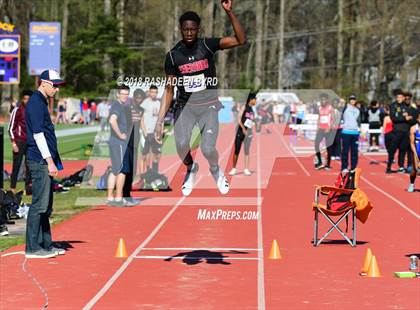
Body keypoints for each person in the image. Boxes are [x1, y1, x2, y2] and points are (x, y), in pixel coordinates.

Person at [154, 1, 246, 196]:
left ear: (198, 30)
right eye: (185, 30)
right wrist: (159, 121)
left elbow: (240, 40)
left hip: (208, 106)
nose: (189, 33)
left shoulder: (207, 45)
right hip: (184, 106)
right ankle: (191, 168)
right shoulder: (172, 56)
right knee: (180, 146)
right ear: (181, 29)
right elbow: (169, 90)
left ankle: (215, 170)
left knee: (207, 148)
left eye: (192, 30)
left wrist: (229, 12)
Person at [25, 69, 66, 258]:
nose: (57, 90)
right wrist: (50, 161)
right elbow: (38, 135)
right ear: (44, 83)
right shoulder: (35, 103)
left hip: (45, 159)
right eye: (55, 85)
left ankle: (46, 244)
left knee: (46, 206)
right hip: (39, 159)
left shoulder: (41, 102)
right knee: (39, 205)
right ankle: (33, 248)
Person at [107, 85, 133, 207]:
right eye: (123, 94)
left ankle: (110, 197)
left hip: (114, 142)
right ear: (117, 94)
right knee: (123, 171)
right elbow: (112, 120)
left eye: (127, 94)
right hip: (119, 143)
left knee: (115, 169)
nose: (125, 96)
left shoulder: (120, 105)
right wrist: (120, 135)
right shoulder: (117, 105)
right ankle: (118, 198)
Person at [122, 88, 145, 204]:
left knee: (133, 170)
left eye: (141, 98)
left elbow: (141, 125)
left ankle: (128, 194)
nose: (139, 100)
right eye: (138, 98)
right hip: (126, 143)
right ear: (134, 97)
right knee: (126, 169)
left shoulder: (141, 110)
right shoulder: (127, 108)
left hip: (135, 143)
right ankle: (123, 194)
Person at [8, 90, 32, 195]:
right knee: (16, 165)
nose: (27, 101)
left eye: (29, 99)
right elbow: (10, 128)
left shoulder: (33, 110)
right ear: (22, 99)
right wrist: (13, 143)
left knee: (29, 165)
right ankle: (12, 187)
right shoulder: (17, 110)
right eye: (25, 99)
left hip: (30, 142)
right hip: (19, 141)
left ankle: (28, 187)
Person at [229, 92, 256, 176]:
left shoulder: (252, 109)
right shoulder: (244, 107)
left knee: (246, 151)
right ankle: (233, 168)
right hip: (240, 132)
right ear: (251, 99)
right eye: (255, 99)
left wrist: (252, 125)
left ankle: (246, 169)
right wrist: (243, 129)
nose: (256, 101)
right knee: (237, 150)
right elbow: (239, 118)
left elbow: (251, 120)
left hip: (249, 133)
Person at [387, 89, 412, 173]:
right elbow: (393, 118)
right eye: (398, 97)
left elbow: (411, 116)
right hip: (396, 131)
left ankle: (401, 166)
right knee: (392, 150)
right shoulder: (393, 106)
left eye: (401, 97)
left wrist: (408, 117)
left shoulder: (407, 106)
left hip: (405, 131)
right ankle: (389, 166)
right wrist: (404, 117)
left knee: (403, 150)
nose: (399, 98)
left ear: (403, 98)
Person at [141, 85, 162, 173]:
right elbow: (141, 118)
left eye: (155, 92)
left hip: (155, 133)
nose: (154, 94)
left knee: (156, 154)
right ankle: (145, 173)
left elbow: (161, 118)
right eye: (152, 92)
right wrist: (144, 131)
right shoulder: (145, 103)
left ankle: (154, 172)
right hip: (147, 132)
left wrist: (160, 131)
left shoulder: (159, 103)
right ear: (149, 92)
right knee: (145, 155)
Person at [340, 95, 361, 173]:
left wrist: (360, 129)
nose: (352, 101)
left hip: (355, 133)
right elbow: (341, 103)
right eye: (351, 99)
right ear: (349, 100)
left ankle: (353, 167)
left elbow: (359, 121)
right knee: (345, 151)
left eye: (354, 99)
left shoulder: (357, 110)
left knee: (354, 151)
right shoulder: (345, 107)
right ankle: (344, 167)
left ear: (355, 101)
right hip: (346, 132)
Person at [314, 93, 334, 170]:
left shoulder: (330, 108)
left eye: (324, 99)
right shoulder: (319, 108)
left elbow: (333, 119)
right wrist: (317, 127)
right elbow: (319, 118)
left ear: (327, 100)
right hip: (321, 129)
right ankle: (319, 161)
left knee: (329, 147)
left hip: (328, 129)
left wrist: (329, 127)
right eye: (322, 99)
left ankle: (328, 164)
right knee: (316, 144)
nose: (323, 101)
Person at [407, 113, 420, 192]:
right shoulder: (413, 128)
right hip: (416, 150)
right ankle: (412, 183)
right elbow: (412, 143)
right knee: (414, 170)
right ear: (418, 120)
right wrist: (415, 155)